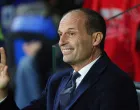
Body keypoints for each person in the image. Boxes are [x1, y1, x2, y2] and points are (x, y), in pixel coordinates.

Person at [0, 8, 139, 110]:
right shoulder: (57, 81)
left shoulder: (117, 84)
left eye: (71, 34)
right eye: (60, 35)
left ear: (95, 39)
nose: (61, 42)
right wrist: (2, 92)